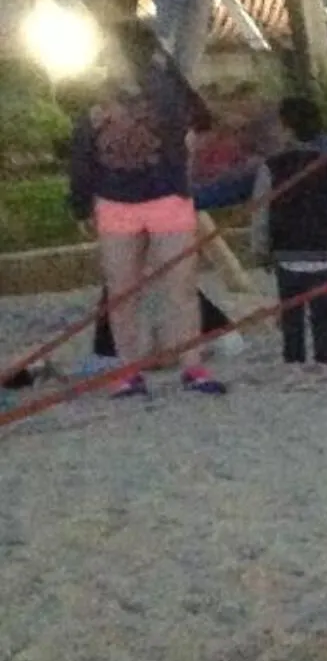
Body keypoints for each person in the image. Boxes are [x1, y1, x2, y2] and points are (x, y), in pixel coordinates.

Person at [67, 21, 226, 398]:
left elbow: (197, 119)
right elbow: (83, 150)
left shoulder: (163, 87)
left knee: (177, 287)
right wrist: (80, 201)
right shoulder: (94, 92)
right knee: (125, 291)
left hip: (164, 194)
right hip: (118, 198)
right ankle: (131, 370)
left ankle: (190, 366)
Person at [250, 95, 327, 378]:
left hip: (287, 251)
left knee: (291, 311)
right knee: (323, 311)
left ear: (287, 128)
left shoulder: (271, 167)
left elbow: (261, 213)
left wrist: (260, 249)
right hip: (323, 250)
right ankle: (324, 359)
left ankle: (293, 360)